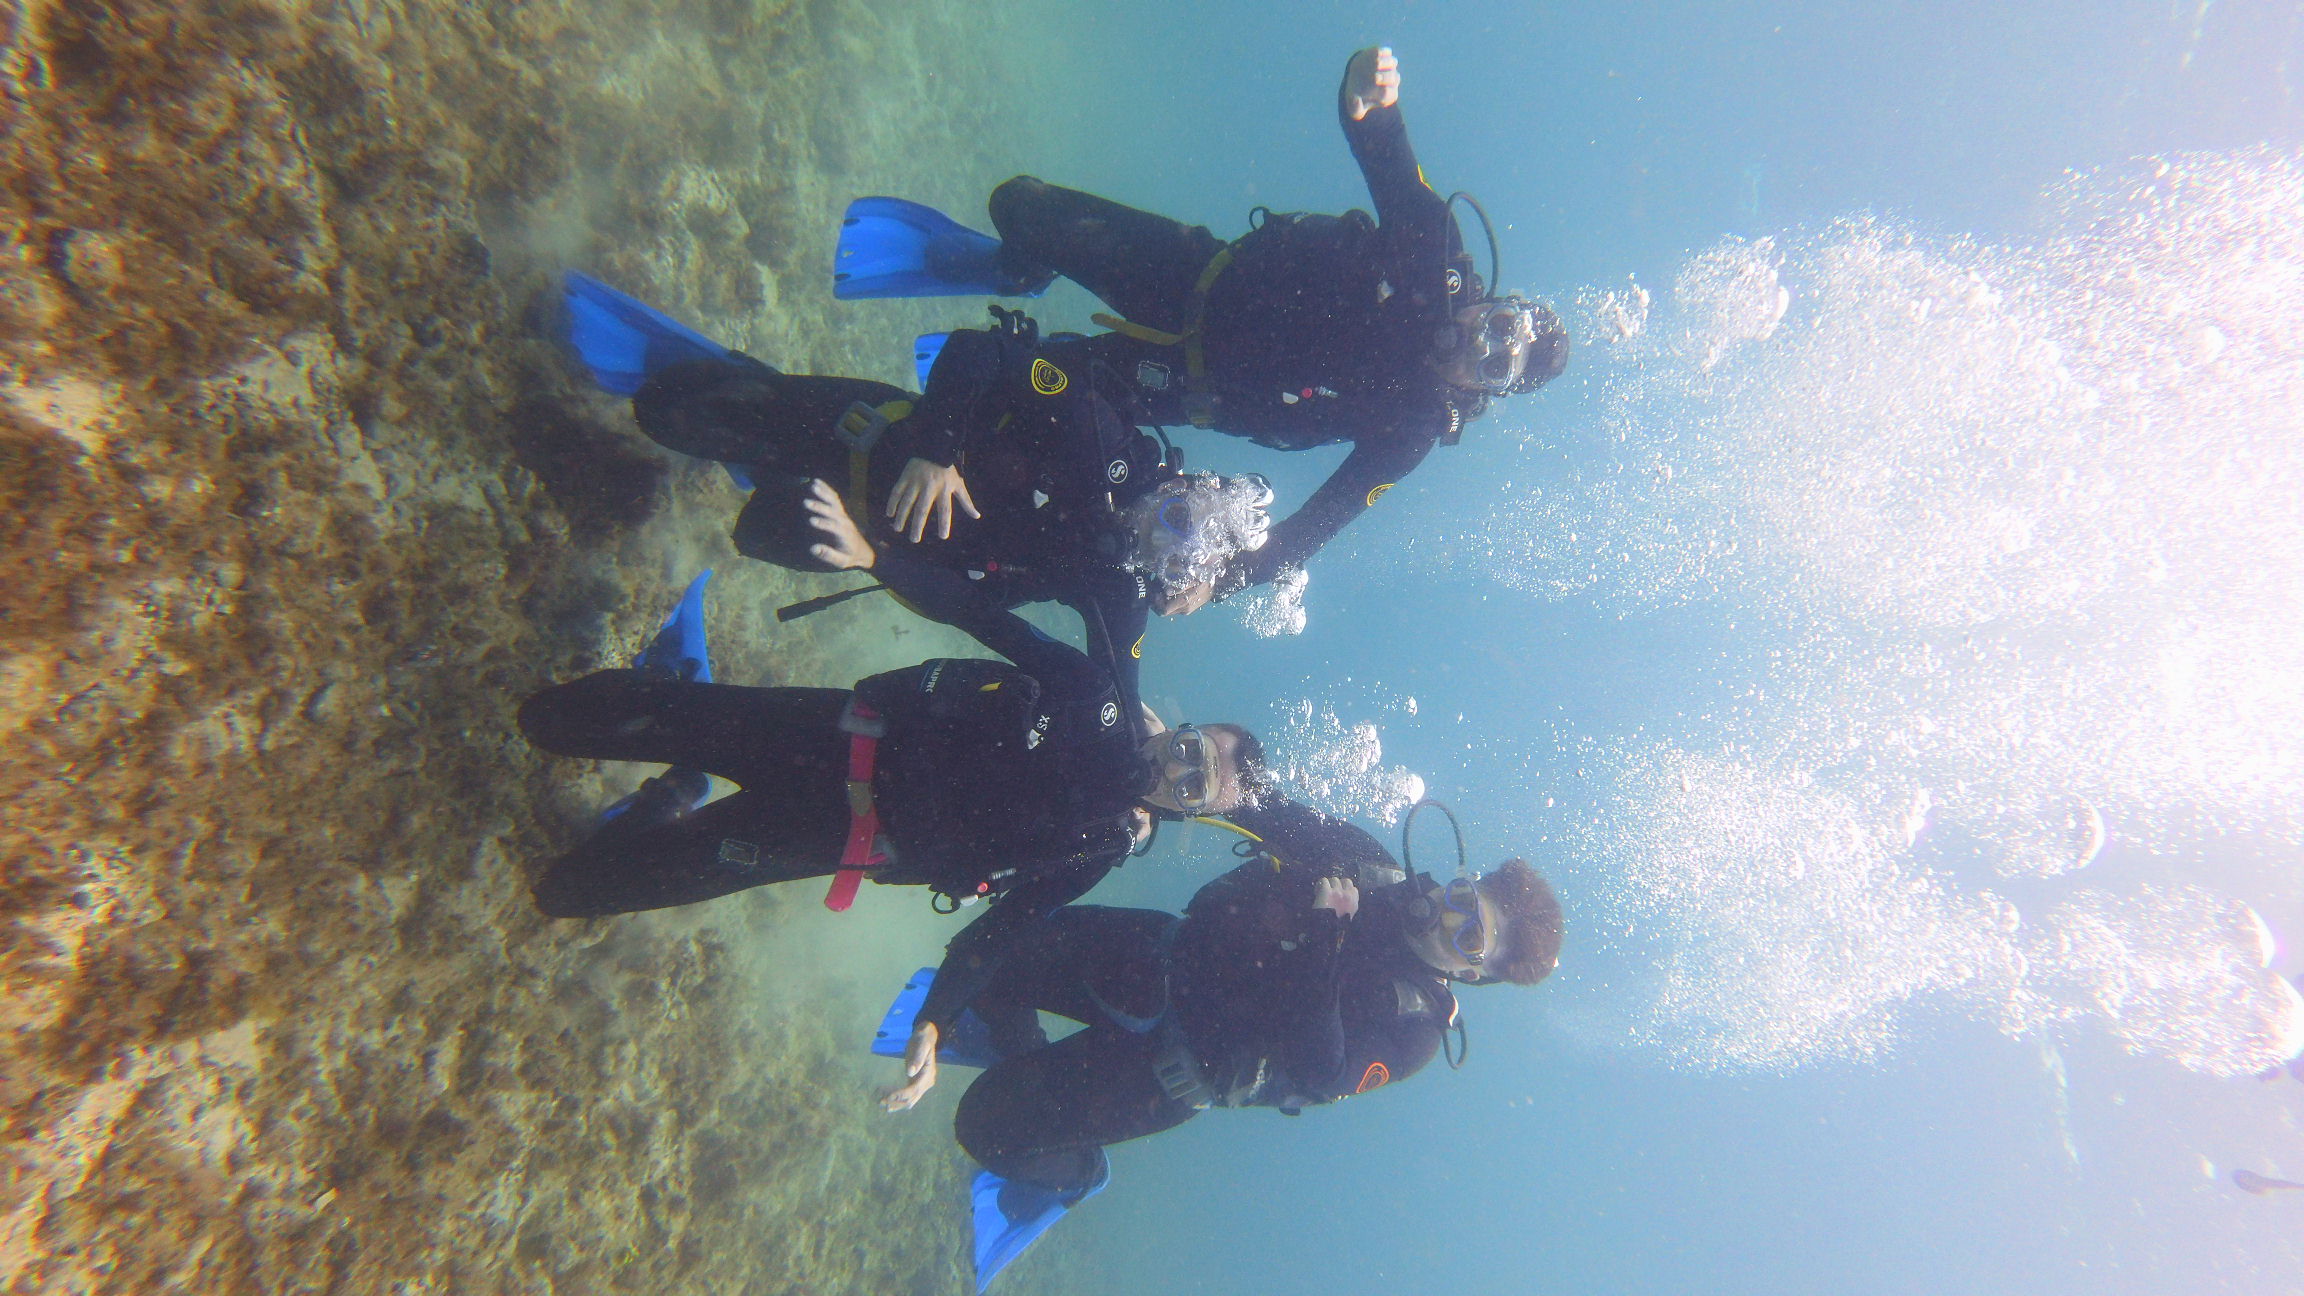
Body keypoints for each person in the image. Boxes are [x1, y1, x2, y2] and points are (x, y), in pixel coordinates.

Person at [834, 45, 1571, 596]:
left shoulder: (1410, 428)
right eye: (1503, 323)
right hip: (1190, 276)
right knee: (1017, 204)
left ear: (1488, 391)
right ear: (1498, 300)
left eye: (1496, 362)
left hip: (1183, 384)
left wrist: (1219, 581)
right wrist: (1366, 97)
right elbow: (1388, 156)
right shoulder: (1433, 250)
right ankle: (1018, 269)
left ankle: (988, 375)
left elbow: (1314, 527)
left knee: (1013, 403)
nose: (1482, 340)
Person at [515, 542, 1265, 1002]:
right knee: (548, 719)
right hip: (827, 734)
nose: (1175, 766)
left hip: (819, 837)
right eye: (1191, 747)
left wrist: (935, 1026)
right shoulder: (1090, 691)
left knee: (568, 892)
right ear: (1183, 728)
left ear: (1183, 812)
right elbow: (980, 615)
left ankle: (672, 794)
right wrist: (875, 558)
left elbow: (995, 936)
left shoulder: (1094, 847)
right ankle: (675, 698)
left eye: (1192, 785)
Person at [560, 274, 1273, 720]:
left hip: (874, 543)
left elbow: (1107, 694)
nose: (1163, 533)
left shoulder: (1117, 591)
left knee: (753, 533)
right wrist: (937, 451)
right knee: (671, 410)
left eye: (1183, 555)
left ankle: (766, 466)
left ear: (1181, 580)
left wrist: (1141, 738)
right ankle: (757, 399)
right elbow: (979, 352)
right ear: (1185, 482)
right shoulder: (1101, 437)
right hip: (870, 438)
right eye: (1181, 513)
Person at [879, 796, 1564, 1201]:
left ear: (1477, 975)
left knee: (981, 1126)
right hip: (1156, 958)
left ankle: (1079, 1172)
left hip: (1171, 1069)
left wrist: (1327, 941)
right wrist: (1178, 780)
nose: (1448, 916)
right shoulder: (1368, 864)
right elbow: (1260, 806)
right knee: (993, 956)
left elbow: (1321, 1070)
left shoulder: (1414, 1031)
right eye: (1465, 897)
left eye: (1471, 936)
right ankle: (1013, 1044)